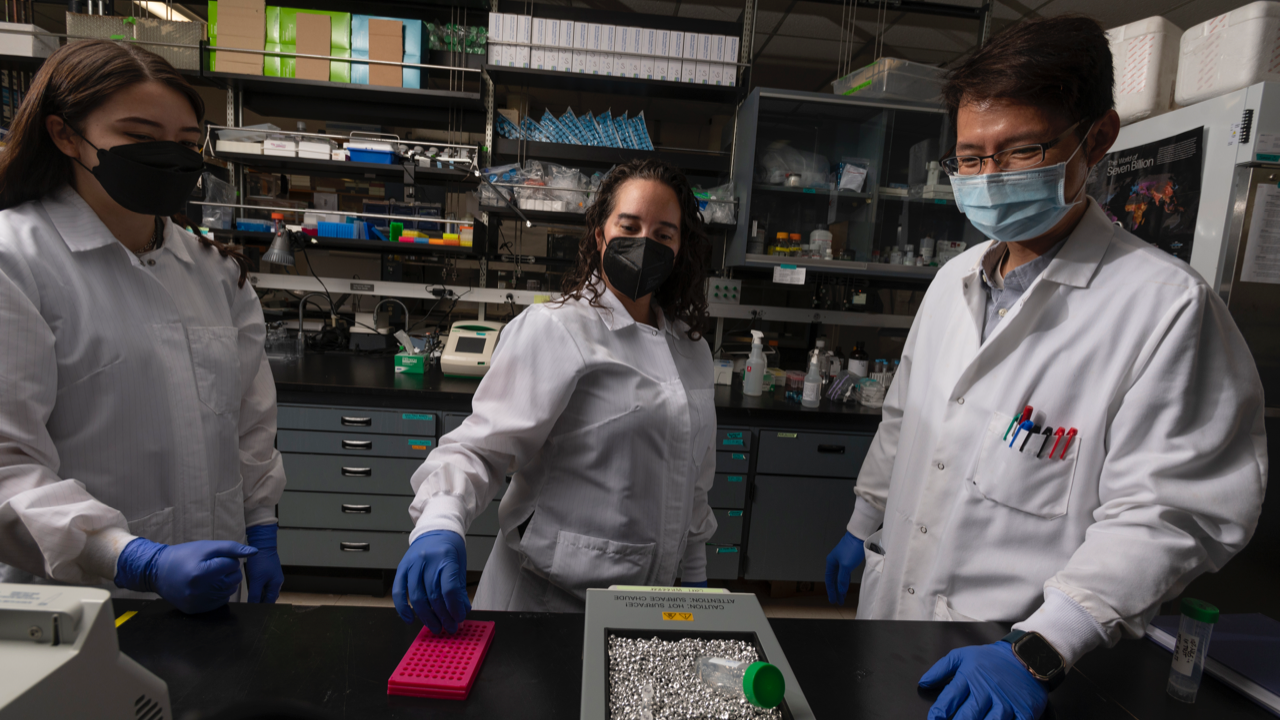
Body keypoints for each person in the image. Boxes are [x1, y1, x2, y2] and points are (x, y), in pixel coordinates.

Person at [823, 16, 1266, 720]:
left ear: (1097, 138)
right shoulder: (954, 280)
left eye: (1019, 151)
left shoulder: (1165, 308)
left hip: (1027, 664)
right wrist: (862, 518)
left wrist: (1041, 646)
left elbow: (1168, 514)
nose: (989, 179)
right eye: (969, 158)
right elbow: (908, 419)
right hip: (895, 624)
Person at [0, 41, 287, 612]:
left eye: (185, 142)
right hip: (72, 603)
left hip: (213, 581)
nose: (169, 156)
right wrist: (132, 559)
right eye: (139, 136)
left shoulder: (214, 273)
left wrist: (261, 524)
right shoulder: (16, 261)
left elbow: (250, 425)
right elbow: (7, 465)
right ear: (64, 135)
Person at [393, 159, 717, 632]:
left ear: (680, 248)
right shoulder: (558, 329)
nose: (645, 243)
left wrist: (695, 576)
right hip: (547, 601)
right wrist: (440, 522)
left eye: (664, 234)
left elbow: (695, 485)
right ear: (602, 234)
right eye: (629, 226)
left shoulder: (692, 350)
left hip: (649, 608)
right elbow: (481, 449)